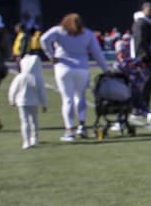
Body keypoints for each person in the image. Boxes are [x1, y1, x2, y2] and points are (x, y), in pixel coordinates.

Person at [40, 13, 109, 142]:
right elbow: (97, 53)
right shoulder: (87, 34)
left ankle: (69, 130)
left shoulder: (59, 31)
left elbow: (43, 39)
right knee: (80, 97)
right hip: (82, 68)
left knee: (67, 99)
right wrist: (106, 69)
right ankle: (82, 125)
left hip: (63, 67)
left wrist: (50, 55)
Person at [8, 53, 48, 148]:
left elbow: (13, 90)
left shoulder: (19, 77)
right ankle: (34, 139)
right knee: (34, 121)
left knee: (24, 121)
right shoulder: (38, 78)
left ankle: (26, 141)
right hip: (34, 103)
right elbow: (42, 92)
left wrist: (12, 100)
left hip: (22, 103)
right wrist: (44, 104)